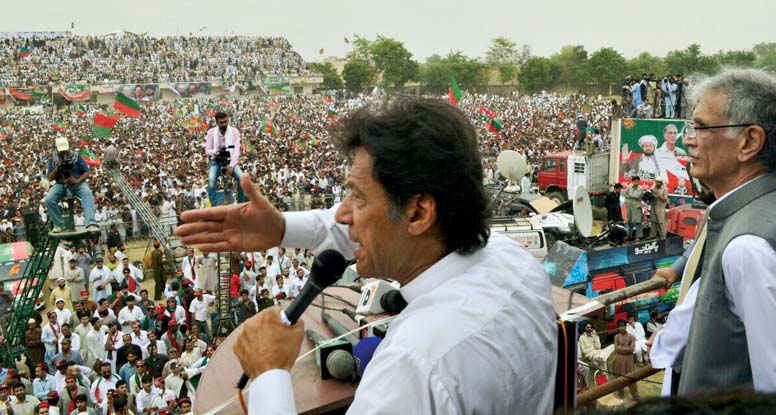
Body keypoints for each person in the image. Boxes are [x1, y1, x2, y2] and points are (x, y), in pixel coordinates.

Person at [175, 98, 557, 414]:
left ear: (419, 213)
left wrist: (269, 376)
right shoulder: (514, 261)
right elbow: (369, 226)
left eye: (357, 196)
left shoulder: (412, 368)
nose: (342, 214)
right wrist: (280, 229)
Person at [647, 68, 776, 396]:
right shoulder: (770, 213)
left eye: (701, 127)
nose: (689, 139)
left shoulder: (749, 247)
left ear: (749, 142)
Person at [44, 137, 99, 233]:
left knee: (87, 194)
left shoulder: (76, 156)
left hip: (77, 183)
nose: (64, 152)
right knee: (49, 199)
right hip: (61, 184)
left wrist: (77, 180)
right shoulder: (54, 158)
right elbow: (49, 178)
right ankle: (59, 225)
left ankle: (91, 223)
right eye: (62, 151)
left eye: (65, 150)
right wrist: (57, 169)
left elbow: (86, 172)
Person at [205, 111, 246, 206]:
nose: (224, 124)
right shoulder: (211, 132)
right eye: (221, 122)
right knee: (211, 181)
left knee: (241, 178)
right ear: (217, 122)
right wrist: (216, 151)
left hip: (230, 159)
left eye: (225, 121)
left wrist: (231, 166)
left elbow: (236, 150)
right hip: (216, 160)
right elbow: (207, 150)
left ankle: (240, 204)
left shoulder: (234, 131)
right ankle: (214, 205)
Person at [612, 321, 640, 403]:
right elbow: (616, 349)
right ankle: (621, 392)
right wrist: (626, 348)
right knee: (619, 377)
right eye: (619, 326)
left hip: (628, 359)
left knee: (631, 377)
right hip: (619, 359)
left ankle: (635, 395)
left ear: (625, 326)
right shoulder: (616, 337)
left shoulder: (631, 337)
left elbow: (632, 349)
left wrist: (621, 348)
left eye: (622, 326)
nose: (621, 328)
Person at [624, 176, 644, 241]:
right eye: (634, 181)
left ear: (639, 181)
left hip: (636, 206)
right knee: (630, 221)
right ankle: (629, 235)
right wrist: (631, 195)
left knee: (637, 221)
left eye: (637, 181)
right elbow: (625, 194)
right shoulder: (629, 186)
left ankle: (638, 236)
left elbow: (637, 196)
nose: (636, 182)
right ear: (632, 181)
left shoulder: (640, 188)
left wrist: (629, 194)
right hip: (629, 205)